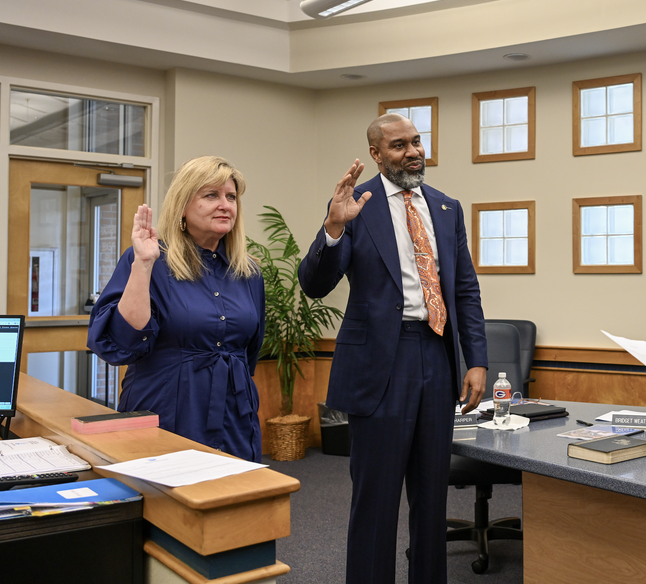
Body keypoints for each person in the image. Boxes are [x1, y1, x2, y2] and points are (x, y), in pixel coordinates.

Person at [299, 113, 488, 584]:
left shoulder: (446, 208)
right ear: (378, 155)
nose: (413, 151)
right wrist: (333, 228)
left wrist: (477, 360)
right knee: (377, 498)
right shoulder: (355, 207)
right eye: (400, 145)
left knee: (432, 497)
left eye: (417, 142)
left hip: (436, 354)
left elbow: (465, 290)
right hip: (380, 365)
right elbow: (315, 285)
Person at [88, 156, 265, 463]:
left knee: (234, 500)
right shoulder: (149, 260)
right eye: (211, 195)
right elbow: (122, 345)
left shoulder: (248, 273)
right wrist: (143, 266)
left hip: (235, 414)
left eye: (231, 197)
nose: (225, 204)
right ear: (182, 205)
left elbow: (248, 353)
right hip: (168, 408)